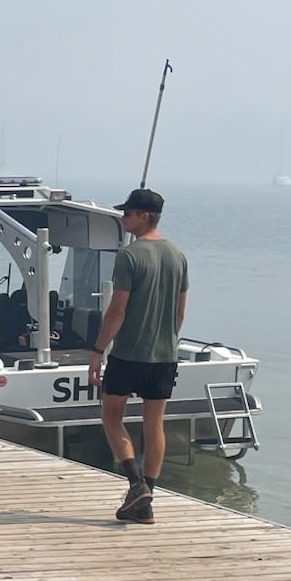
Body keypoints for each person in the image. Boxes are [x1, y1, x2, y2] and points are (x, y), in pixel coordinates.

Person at [88, 188, 189, 525]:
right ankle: (146, 504)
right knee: (153, 424)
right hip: (165, 355)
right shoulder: (178, 256)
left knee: (111, 418)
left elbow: (117, 311)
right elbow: (179, 314)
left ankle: (136, 484)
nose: (123, 217)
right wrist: (167, 341)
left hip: (129, 354)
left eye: (128, 213)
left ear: (144, 216)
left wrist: (98, 350)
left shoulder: (129, 256)